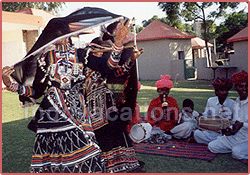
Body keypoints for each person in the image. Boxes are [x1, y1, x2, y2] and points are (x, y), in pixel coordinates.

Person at [2, 18, 133, 173]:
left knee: (88, 152)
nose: (62, 36)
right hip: (52, 115)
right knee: (57, 160)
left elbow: (108, 66)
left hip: (78, 114)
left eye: (65, 32)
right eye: (57, 33)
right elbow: (36, 92)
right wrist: (9, 84)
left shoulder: (81, 54)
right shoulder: (45, 59)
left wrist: (118, 42)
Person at [78, 20, 145, 173]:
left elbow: (117, 72)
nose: (102, 54)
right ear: (93, 50)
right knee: (100, 136)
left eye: (103, 51)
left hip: (107, 104)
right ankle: (106, 165)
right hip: (92, 107)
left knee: (116, 132)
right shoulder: (86, 63)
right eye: (100, 51)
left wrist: (131, 60)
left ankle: (122, 164)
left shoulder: (103, 65)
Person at [208, 70, 248, 160]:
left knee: (237, 153)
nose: (245, 89)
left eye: (247, 86)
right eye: (241, 86)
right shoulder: (237, 102)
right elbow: (234, 122)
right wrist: (230, 130)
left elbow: (240, 124)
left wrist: (243, 125)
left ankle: (239, 149)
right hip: (237, 137)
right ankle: (239, 149)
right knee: (212, 146)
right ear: (236, 87)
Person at [193, 77, 235, 145]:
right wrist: (199, 115)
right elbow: (206, 115)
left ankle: (214, 142)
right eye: (222, 90)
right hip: (211, 131)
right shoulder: (211, 101)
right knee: (196, 133)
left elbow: (234, 121)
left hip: (225, 133)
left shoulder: (232, 103)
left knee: (227, 137)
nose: (225, 92)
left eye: (226, 90)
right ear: (216, 92)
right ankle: (217, 142)